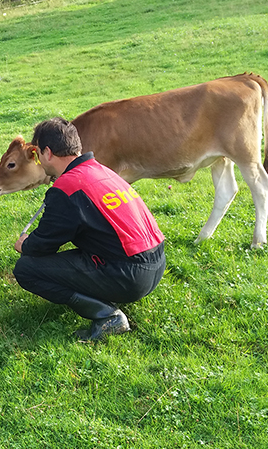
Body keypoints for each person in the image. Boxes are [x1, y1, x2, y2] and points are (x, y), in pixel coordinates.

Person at [13, 117, 166, 340]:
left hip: (130, 277)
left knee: (26, 268)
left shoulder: (67, 186)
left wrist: (25, 244)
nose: (38, 162)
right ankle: (106, 296)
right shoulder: (101, 170)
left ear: (47, 152)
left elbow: (41, 246)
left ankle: (107, 316)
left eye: (36, 155)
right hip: (157, 263)